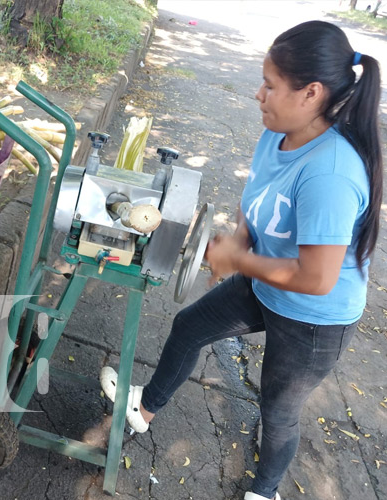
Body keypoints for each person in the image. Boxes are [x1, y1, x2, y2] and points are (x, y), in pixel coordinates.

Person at [100, 20, 383, 500]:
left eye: (271, 86)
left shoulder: (331, 173)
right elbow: (253, 201)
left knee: (276, 412)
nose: (259, 95)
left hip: (315, 317)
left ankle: (265, 490)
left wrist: (239, 261)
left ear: (310, 92)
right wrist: (240, 242)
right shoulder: (278, 132)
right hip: (266, 280)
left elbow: (316, 278)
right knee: (190, 326)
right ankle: (142, 411)